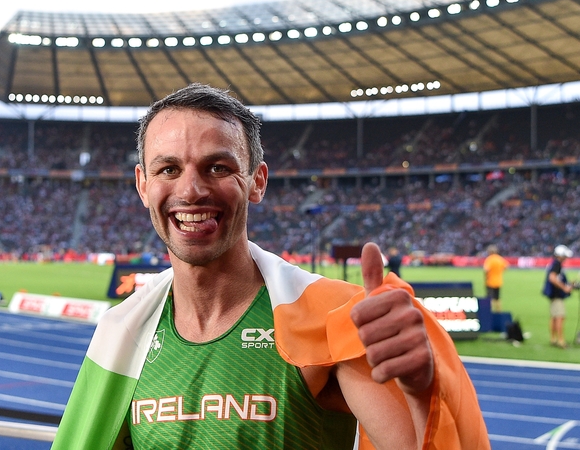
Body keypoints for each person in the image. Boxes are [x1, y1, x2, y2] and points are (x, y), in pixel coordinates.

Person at [52, 84, 488, 449]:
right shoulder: (122, 334)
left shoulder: (327, 317)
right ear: (143, 185)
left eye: (218, 166)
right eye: (168, 168)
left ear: (257, 181)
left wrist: (419, 389)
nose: (191, 189)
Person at [543, 244, 574, 348]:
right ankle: (560, 341)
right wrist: (564, 288)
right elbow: (553, 278)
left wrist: (568, 284)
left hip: (553, 295)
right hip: (556, 296)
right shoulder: (557, 264)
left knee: (554, 317)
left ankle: (553, 339)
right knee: (560, 317)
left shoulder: (553, 264)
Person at [483, 244, 509, 313]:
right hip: (498, 281)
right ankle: (498, 311)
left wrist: (486, 276)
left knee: (489, 297)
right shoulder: (499, 258)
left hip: (490, 281)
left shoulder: (489, 259)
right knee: (497, 298)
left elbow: (486, 269)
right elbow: (506, 266)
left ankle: (489, 310)